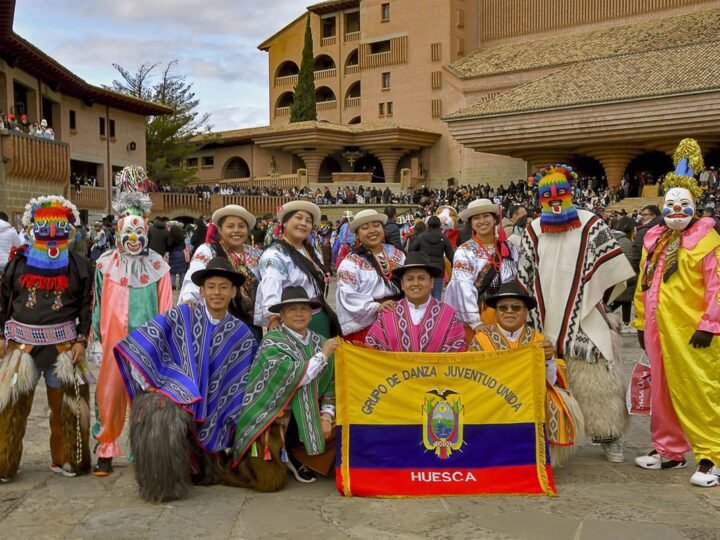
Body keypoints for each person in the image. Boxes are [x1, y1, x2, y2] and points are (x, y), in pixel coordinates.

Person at [114, 258, 258, 502]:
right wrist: (151, 380)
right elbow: (145, 341)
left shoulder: (241, 333)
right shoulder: (182, 315)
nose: (217, 292)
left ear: (233, 292)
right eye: (211, 286)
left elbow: (244, 377)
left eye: (224, 287)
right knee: (159, 414)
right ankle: (162, 482)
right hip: (177, 390)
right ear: (201, 290)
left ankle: (204, 460)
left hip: (218, 402)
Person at [518, 164, 635, 463]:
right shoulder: (533, 229)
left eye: (561, 193)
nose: (555, 200)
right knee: (549, 379)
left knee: (596, 377)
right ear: (539, 197)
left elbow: (613, 268)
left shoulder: (590, 223)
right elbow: (525, 272)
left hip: (584, 314)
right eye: (547, 195)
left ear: (571, 193)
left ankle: (609, 435)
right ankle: (552, 440)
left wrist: (597, 301)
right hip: (543, 315)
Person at [633, 139, 720, 487]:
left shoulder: (707, 241)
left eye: (684, 205)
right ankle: (669, 450)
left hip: (693, 330)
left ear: (695, 206)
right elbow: (644, 283)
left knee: (700, 389)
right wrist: (640, 321)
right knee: (662, 390)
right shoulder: (654, 239)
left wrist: (710, 325)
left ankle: (711, 455)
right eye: (670, 205)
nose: (677, 211)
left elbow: (717, 287)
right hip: (659, 329)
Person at [0, 196, 92, 481]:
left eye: (59, 228)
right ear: (32, 229)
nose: (52, 235)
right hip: (21, 348)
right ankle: (4, 462)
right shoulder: (18, 262)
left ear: (70, 230)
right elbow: (4, 300)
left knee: (68, 409)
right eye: (44, 228)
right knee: (10, 408)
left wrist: (80, 340)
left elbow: (86, 307)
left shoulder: (79, 265)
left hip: (63, 348)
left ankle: (68, 459)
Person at [91, 172, 173, 476]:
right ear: (117, 233)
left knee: (145, 397)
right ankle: (105, 449)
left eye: (140, 232)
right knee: (109, 395)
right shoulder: (104, 264)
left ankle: (143, 451)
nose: (134, 239)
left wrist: (165, 341)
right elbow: (97, 303)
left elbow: (166, 307)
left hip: (147, 344)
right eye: (128, 232)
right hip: (113, 342)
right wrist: (95, 340)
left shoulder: (158, 267)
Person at [468, 281, 584, 467]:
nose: (509, 312)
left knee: (555, 401)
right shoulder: (480, 341)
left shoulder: (538, 340)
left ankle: (541, 455)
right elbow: (471, 379)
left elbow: (551, 381)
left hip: (529, 396)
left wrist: (548, 360)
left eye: (516, 307)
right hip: (490, 396)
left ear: (525, 312)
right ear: (496, 312)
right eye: (503, 307)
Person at [232, 287, 337, 485]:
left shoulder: (319, 341)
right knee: (269, 483)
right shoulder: (272, 342)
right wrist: (323, 355)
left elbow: (331, 384)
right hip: (275, 414)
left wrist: (326, 417)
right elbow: (296, 377)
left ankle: (303, 457)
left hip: (312, 411)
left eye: (304, 309)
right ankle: (286, 450)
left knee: (344, 423)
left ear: (311, 314)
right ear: (281, 315)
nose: (299, 314)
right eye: (292, 309)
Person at [255, 200, 339, 338]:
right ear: (285, 223)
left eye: (308, 221)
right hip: (294, 323)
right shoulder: (275, 254)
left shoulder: (311, 251)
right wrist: (274, 318)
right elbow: (270, 287)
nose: (303, 223)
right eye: (298, 218)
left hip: (318, 317)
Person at [180, 205, 262, 341]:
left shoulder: (256, 254)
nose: (236, 230)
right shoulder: (208, 251)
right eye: (230, 226)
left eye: (241, 226)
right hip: (218, 321)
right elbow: (194, 277)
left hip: (250, 324)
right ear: (220, 229)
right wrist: (190, 300)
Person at [445, 199, 518, 336]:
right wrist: (475, 321)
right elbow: (463, 286)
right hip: (480, 312)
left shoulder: (508, 247)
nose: (482, 221)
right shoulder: (464, 251)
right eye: (476, 218)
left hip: (507, 311)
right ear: (471, 224)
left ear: (494, 219)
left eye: (486, 216)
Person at [366, 252, 465, 352]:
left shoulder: (448, 314)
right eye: (410, 279)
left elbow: (456, 354)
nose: (416, 283)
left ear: (432, 282)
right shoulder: (387, 313)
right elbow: (373, 353)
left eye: (421, 278)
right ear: (402, 284)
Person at [336, 209, 405, 342]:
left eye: (376, 225)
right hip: (370, 325)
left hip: (400, 317)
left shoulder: (398, 254)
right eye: (365, 227)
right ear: (357, 235)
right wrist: (376, 307)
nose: (372, 230)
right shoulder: (351, 262)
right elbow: (347, 294)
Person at [408, 216, 455, 300]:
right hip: (439, 270)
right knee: (437, 295)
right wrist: (453, 266)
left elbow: (411, 250)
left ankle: (425, 311)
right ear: (439, 225)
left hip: (425, 268)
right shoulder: (443, 238)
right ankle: (436, 312)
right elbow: (450, 255)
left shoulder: (421, 237)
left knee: (424, 294)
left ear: (428, 224)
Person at [610, 217, 637, 333]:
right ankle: (625, 322)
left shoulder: (612, 236)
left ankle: (626, 322)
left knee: (622, 300)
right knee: (622, 300)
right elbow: (629, 259)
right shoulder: (625, 241)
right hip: (624, 276)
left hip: (615, 275)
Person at [630, 205, 662, 271]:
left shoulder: (644, 231)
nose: (642, 217)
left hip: (644, 268)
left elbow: (637, 252)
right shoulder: (665, 226)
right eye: (642, 215)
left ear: (653, 215)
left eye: (645, 215)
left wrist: (634, 269)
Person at [167, 222, 188, 290]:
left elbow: (168, 247)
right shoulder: (181, 238)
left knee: (173, 272)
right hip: (181, 254)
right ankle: (181, 284)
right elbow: (184, 246)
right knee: (182, 271)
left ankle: (173, 285)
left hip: (173, 255)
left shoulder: (171, 238)